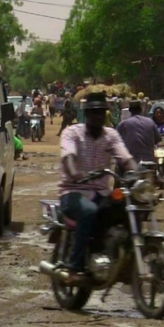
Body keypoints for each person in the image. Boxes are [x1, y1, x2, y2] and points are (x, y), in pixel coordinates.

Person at [59, 92, 136, 283]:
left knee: (130, 208)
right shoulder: (72, 132)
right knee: (88, 211)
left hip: (102, 193)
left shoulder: (111, 135)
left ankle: (126, 262)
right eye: (93, 112)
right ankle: (74, 268)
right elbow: (68, 155)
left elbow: (125, 157)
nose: (98, 116)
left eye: (101, 112)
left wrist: (140, 172)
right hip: (73, 191)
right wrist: (75, 172)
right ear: (86, 114)